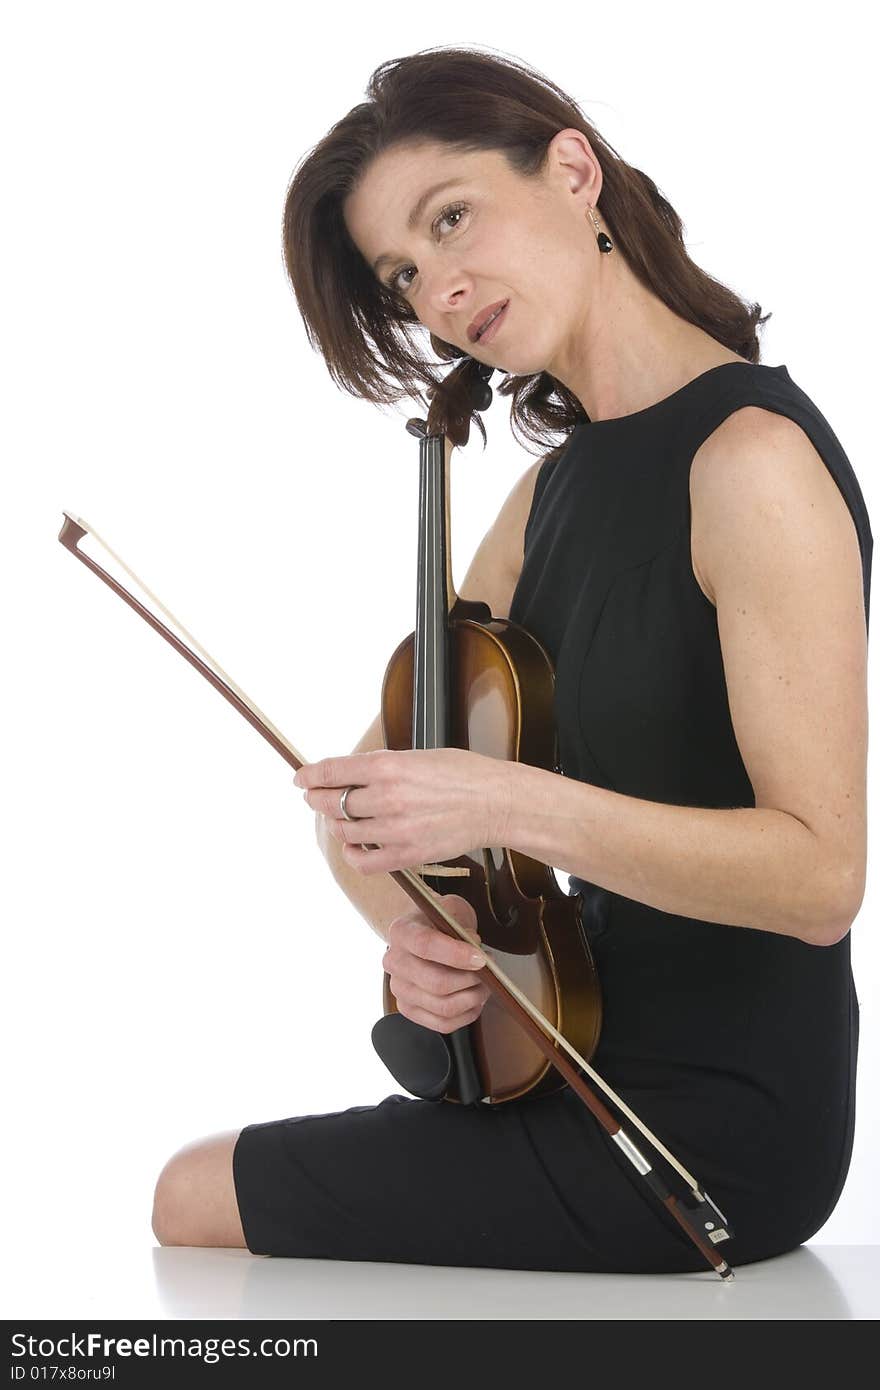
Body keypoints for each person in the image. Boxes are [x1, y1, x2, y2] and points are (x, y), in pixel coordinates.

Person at [151, 46, 871, 1273]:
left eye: (452, 218)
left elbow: (820, 878)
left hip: (713, 1125)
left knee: (190, 1196)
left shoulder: (749, 459)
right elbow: (368, 801)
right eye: (404, 273)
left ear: (573, 171)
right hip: (559, 1053)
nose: (441, 288)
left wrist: (507, 798)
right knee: (192, 1193)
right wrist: (428, 938)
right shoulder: (542, 500)